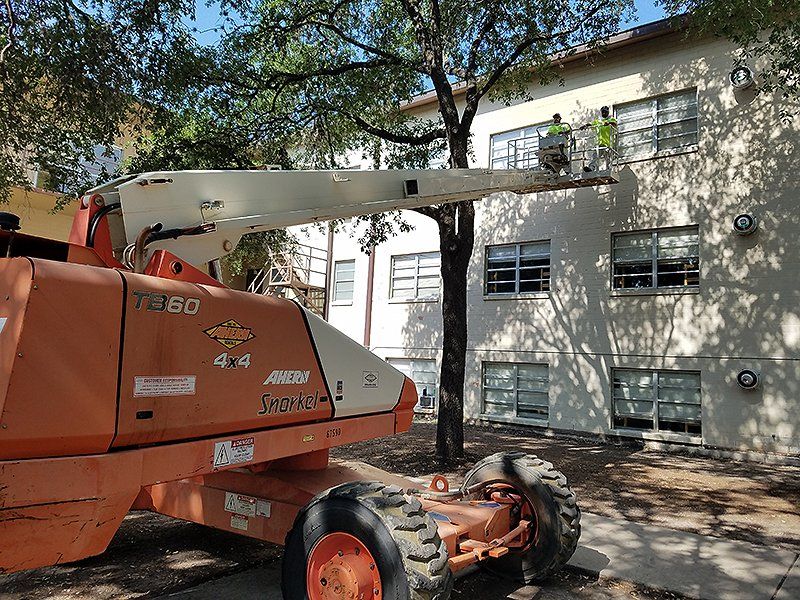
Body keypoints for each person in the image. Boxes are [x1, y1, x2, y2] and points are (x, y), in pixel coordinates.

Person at [580, 106, 617, 172]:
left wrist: (608, 123)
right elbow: (591, 124)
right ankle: (591, 168)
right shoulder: (598, 121)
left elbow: (614, 124)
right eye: (603, 112)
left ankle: (609, 170)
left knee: (608, 158)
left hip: (608, 144)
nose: (604, 113)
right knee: (595, 157)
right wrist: (585, 125)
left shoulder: (611, 119)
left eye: (605, 112)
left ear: (608, 112)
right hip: (599, 143)